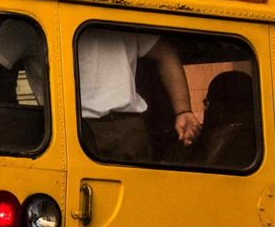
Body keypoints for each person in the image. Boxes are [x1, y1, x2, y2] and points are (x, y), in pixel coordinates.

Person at [77, 27, 200, 163]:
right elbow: (166, 53)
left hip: (123, 128)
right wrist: (183, 111)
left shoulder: (126, 18)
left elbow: (166, 53)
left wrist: (183, 111)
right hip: (78, 126)